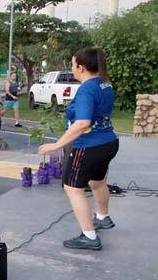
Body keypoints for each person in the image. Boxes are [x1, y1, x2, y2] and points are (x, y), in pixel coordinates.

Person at [38, 47, 119, 251]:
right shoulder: (104, 84)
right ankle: (103, 217)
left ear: (81, 67)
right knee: (97, 182)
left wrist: (58, 144)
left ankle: (89, 236)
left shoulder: (86, 89)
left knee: (72, 188)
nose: (72, 69)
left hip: (89, 145)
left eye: (73, 65)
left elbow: (82, 122)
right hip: (108, 142)